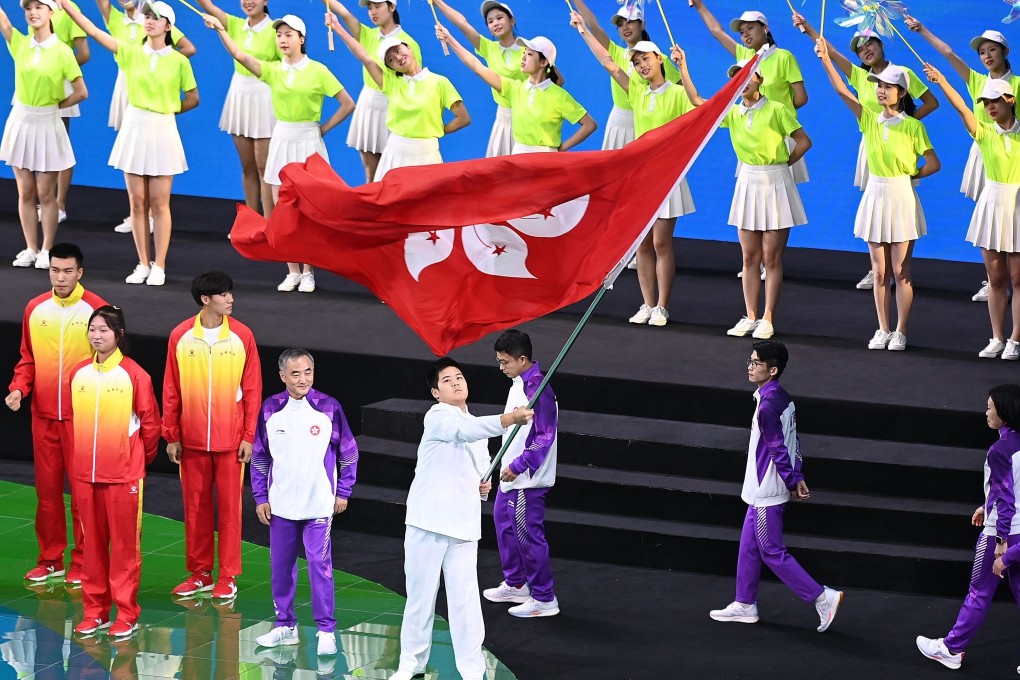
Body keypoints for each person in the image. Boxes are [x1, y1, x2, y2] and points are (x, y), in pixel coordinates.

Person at [389, 357, 533, 680]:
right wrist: (510, 419)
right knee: (421, 598)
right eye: (447, 380)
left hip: (464, 525)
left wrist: (484, 485)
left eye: (459, 376)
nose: (456, 382)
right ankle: (410, 665)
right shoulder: (437, 416)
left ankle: (472, 670)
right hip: (428, 521)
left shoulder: (477, 428)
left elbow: (480, 470)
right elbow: (463, 431)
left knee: (466, 603)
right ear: (436, 393)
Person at [204, 12, 355, 294]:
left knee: (307, 211)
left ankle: (309, 272)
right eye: (279, 35)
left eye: (289, 35)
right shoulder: (274, 70)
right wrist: (220, 31)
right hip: (282, 138)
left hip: (308, 140)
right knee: (283, 210)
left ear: (302, 39)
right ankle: (292, 271)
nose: (283, 40)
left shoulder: (318, 71)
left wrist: (322, 129)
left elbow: (347, 103)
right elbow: (240, 55)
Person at [792, 12, 938, 291]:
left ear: (882, 45)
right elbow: (830, 53)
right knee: (876, 205)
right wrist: (808, 28)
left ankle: (900, 266)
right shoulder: (860, 77)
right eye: (860, 48)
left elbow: (931, 101)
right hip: (870, 143)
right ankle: (878, 269)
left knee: (901, 200)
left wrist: (904, 127)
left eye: (870, 43)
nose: (865, 50)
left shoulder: (903, 74)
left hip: (898, 145)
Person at [59, 0, 199, 287]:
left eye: (156, 17)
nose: (148, 20)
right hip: (134, 126)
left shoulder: (179, 61)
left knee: (160, 203)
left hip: (163, 129)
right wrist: (68, 6)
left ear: (168, 26)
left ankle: (159, 265)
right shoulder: (130, 52)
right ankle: (142, 263)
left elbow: (193, 98)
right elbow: (94, 32)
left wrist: (167, 109)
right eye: (146, 15)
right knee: (137, 202)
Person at [708, 340, 844, 633]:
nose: (749, 366)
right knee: (749, 547)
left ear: (772, 370)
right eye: (750, 360)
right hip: (763, 487)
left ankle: (823, 597)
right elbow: (794, 441)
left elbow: (778, 448)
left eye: (756, 363)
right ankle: (744, 604)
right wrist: (797, 474)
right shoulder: (781, 397)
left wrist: (794, 479)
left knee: (770, 550)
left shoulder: (768, 405)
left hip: (766, 491)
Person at [816, 39, 940, 351]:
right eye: (878, 87)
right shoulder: (868, 119)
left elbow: (934, 164)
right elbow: (842, 91)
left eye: (887, 86)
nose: (880, 90)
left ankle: (900, 330)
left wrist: (910, 176)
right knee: (880, 270)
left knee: (901, 271)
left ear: (901, 92)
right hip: (875, 195)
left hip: (901, 196)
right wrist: (825, 59)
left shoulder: (913, 127)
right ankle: (883, 328)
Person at [677, 52, 810, 340]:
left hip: (775, 181)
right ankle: (750, 316)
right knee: (749, 258)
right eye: (738, 79)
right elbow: (698, 101)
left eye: (749, 76)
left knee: (771, 258)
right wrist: (683, 67)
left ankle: (767, 318)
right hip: (747, 182)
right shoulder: (733, 112)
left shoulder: (777, 109)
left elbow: (803, 141)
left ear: (760, 80)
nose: (744, 83)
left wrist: (784, 164)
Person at [573, 14, 691, 327]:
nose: (641, 66)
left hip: (668, 176)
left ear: (659, 59)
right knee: (641, 243)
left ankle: (663, 307)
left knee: (662, 243)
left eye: (646, 60)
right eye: (637, 62)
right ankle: (647, 303)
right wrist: (584, 30)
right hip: (642, 178)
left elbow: (698, 110)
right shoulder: (636, 92)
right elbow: (609, 64)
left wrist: (684, 68)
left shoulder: (678, 95)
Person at [6, 242, 108, 585]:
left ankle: (82, 563)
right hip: (44, 417)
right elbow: (27, 359)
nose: (60, 277)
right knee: (47, 495)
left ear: (80, 272)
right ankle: (50, 559)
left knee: (82, 497)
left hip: (83, 421)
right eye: (54, 270)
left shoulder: (98, 310)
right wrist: (19, 388)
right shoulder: (35, 309)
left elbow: (111, 364)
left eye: (67, 271)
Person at [250, 349, 359, 657]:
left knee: (318, 566)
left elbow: (349, 452)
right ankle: (286, 626)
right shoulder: (271, 409)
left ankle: (326, 629)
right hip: (281, 505)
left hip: (319, 505)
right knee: (281, 568)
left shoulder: (328, 407)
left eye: (308, 372)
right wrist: (261, 496)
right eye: (295, 374)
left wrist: (343, 492)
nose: (303, 379)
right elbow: (260, 456)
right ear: (282, 376)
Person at [163, 271, 262, 600]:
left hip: (230, 441)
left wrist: (249, 436)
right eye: (223, 294)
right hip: (190, 441)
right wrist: (171, 434)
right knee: (195, 508)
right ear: (206, 300)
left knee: (230, 511)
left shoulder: (243, 336)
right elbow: (171, 389)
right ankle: (200, 573)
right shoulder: (180, 336)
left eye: (231, 293)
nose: (230, 299)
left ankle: (228, 575)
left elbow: (252, 390)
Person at [907, 18, 1020, 304]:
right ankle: (995, 279)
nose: (987, 56)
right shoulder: (976, 81)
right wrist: (922, 31)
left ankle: (1012, 278)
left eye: (992, 50)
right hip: (984, 153)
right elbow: (948, 53)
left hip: (1011, 153)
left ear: (1005, 52)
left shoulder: (1017, 84)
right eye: (982, 52)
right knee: (991, 219)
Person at [69, 306, 160, 638]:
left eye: (104, 330)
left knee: (124, 548)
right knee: (91, 547)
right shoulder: (78, 373)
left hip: (124, 476)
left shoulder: (135, 375)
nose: (96, 335)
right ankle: (94, 611)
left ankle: (126, 613)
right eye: (92, 329)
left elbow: (151, 426)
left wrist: (135, 459)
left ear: (118, 335)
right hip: (85, 476)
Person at [917, 384, 1020, 671]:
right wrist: (986, 505)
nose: (986, 412)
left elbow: (1008, 498)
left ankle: (951, 649)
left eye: (990, 407)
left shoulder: (999, 450)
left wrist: (1000, 541)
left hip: (1000, 533)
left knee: (979, 592)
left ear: (1005, 412)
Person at [925, 68, 1020, 360]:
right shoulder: (983, 132)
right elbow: (961, 107)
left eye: (995, 101)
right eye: (986, 102)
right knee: (996, 279)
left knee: (1018, 280)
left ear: (1010, 100)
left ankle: (1015, 339)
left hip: (1017, 204)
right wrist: (941, 81)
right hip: (991, 205)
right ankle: (997, 337)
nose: (989, 107)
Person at [329, 13, 469, 181]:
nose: (397, 57)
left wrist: (436, 131)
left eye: (398, 50)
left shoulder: (440, 82)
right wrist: (337, 27)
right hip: (395, 153)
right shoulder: (391, 83)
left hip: (427, 155)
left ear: (408, 47)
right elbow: (365, 57)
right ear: (391, 68)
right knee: (391, 204)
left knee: (425, 205)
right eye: (391, 59)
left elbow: (463, 118)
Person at [94, 0, 194, 235]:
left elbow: (188, 49)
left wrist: (163, 68)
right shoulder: (117, 19)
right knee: (133, 151)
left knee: (152, 155)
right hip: (128, 84)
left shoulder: (155, 17)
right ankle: (137, 212)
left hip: (153, 82)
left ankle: (151, 215)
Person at [0, 0, 87, 270]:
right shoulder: (20, 42)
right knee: (25, 191)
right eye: (28, 9)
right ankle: (30, 247)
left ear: (52, 13)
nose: (33, 12)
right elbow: (3, 20)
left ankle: (46, 249)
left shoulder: (62, 51)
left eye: (39, 7)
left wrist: (55, 106)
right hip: (21, 120)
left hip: (48, 122)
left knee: (45, 194)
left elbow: (81, 91)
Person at [483, 330, 559, 617]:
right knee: (504, 527)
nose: (501, 367)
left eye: (505, 362)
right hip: (510, 477)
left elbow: (545, 435)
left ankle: (544, 598)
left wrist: (520, 464)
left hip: (527, 479)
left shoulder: (538, 388)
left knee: (527, 535)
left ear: (522, 359)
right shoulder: (519, 382)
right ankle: (516, 585)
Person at [438, 27, 595, 154]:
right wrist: (450, 39)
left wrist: (562, 148)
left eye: (530, 54)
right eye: (524, 53)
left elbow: (589, 125)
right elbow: (477, 66)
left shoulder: (560, 96)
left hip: (547, 161)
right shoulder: (513, 88)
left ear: (543, 62)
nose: (523, 57)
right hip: (518, 156)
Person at [194, 0, 278, 223]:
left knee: (264, 168)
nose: (248, 2)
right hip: (239, 94)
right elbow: (208, 6)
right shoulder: (234, 24)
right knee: (248, 166)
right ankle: (251, 221)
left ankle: (271, 225)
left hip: (265, 96)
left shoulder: (275, 30)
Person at [326, 0, 421, 182]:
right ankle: (372, 210)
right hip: (368, 105)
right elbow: (344, 13)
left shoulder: (409, 44)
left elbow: (414, 84)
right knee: (371, 174)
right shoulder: (367, 34)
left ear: (392, 7)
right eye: (370, 7)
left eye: (377, 6)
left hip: (395, 106)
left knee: (394, 174)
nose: (373, 11)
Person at [570, 0, 680, 151]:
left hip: (647, 121)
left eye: (630, 22)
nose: (625, 27)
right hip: (618, 123)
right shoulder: (615, 52)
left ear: (642, 25)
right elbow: (593, 26)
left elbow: (681, 92)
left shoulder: (659, 59)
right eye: (620, 24)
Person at [432, 0, 524, 157]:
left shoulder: (529, 49)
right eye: (490, 21)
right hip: (503, 118)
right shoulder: (489, 48)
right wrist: (437, 2)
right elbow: (463, 24)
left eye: (500, 18)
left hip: (527, 115)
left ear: (512, 20)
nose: (495, 23)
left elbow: (556, 81)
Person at [45, 0, 88, 225]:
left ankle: (59, 205)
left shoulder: (70, 9)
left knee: (60, 145)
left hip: (62, 85)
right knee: (40, 146)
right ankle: (46, 200)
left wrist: (60, 70)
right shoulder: (37, 7)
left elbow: (84, 53)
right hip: (38, 84)